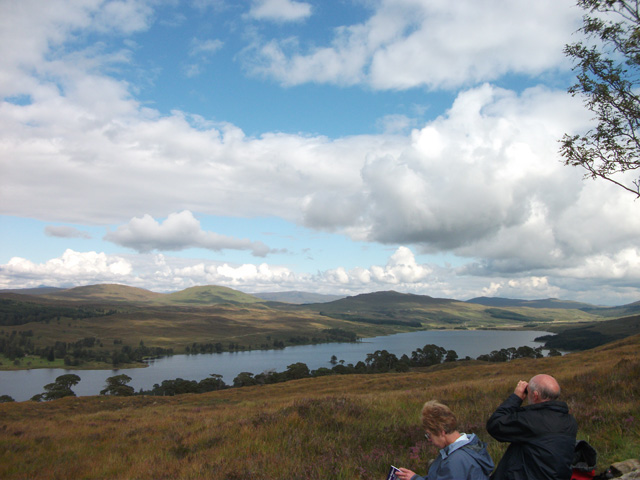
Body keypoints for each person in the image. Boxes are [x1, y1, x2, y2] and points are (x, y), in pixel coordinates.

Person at [486, 374, 578, 480]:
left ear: (535, 395)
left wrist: (516, 397)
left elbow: (494, 425)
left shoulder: (531, 420)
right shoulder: (570, 421)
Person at [395, 400, 494, 480]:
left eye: (429, 435)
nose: (429, 440)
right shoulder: (471, 445)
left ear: (441, 432)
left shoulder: (456, 461)